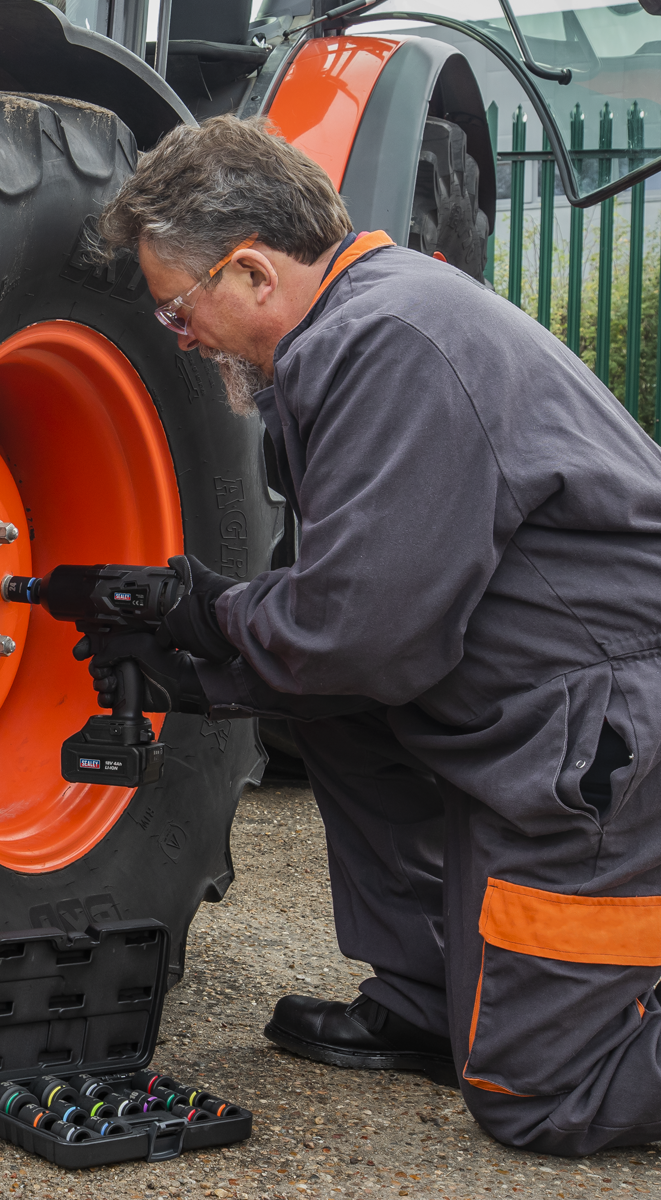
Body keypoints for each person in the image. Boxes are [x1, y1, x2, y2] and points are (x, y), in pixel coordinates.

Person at [85, 114, 661, 1157]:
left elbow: (360, 635)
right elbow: (354, 629)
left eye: (179, 310)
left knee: (548, 1094)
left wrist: (198, 612)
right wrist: (194, 671)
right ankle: (433, 995)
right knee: (334, 707)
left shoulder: (388, 343)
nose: (186, 337)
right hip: (544, 700)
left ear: (252, 272)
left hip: (599, 731)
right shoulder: (365, 325)